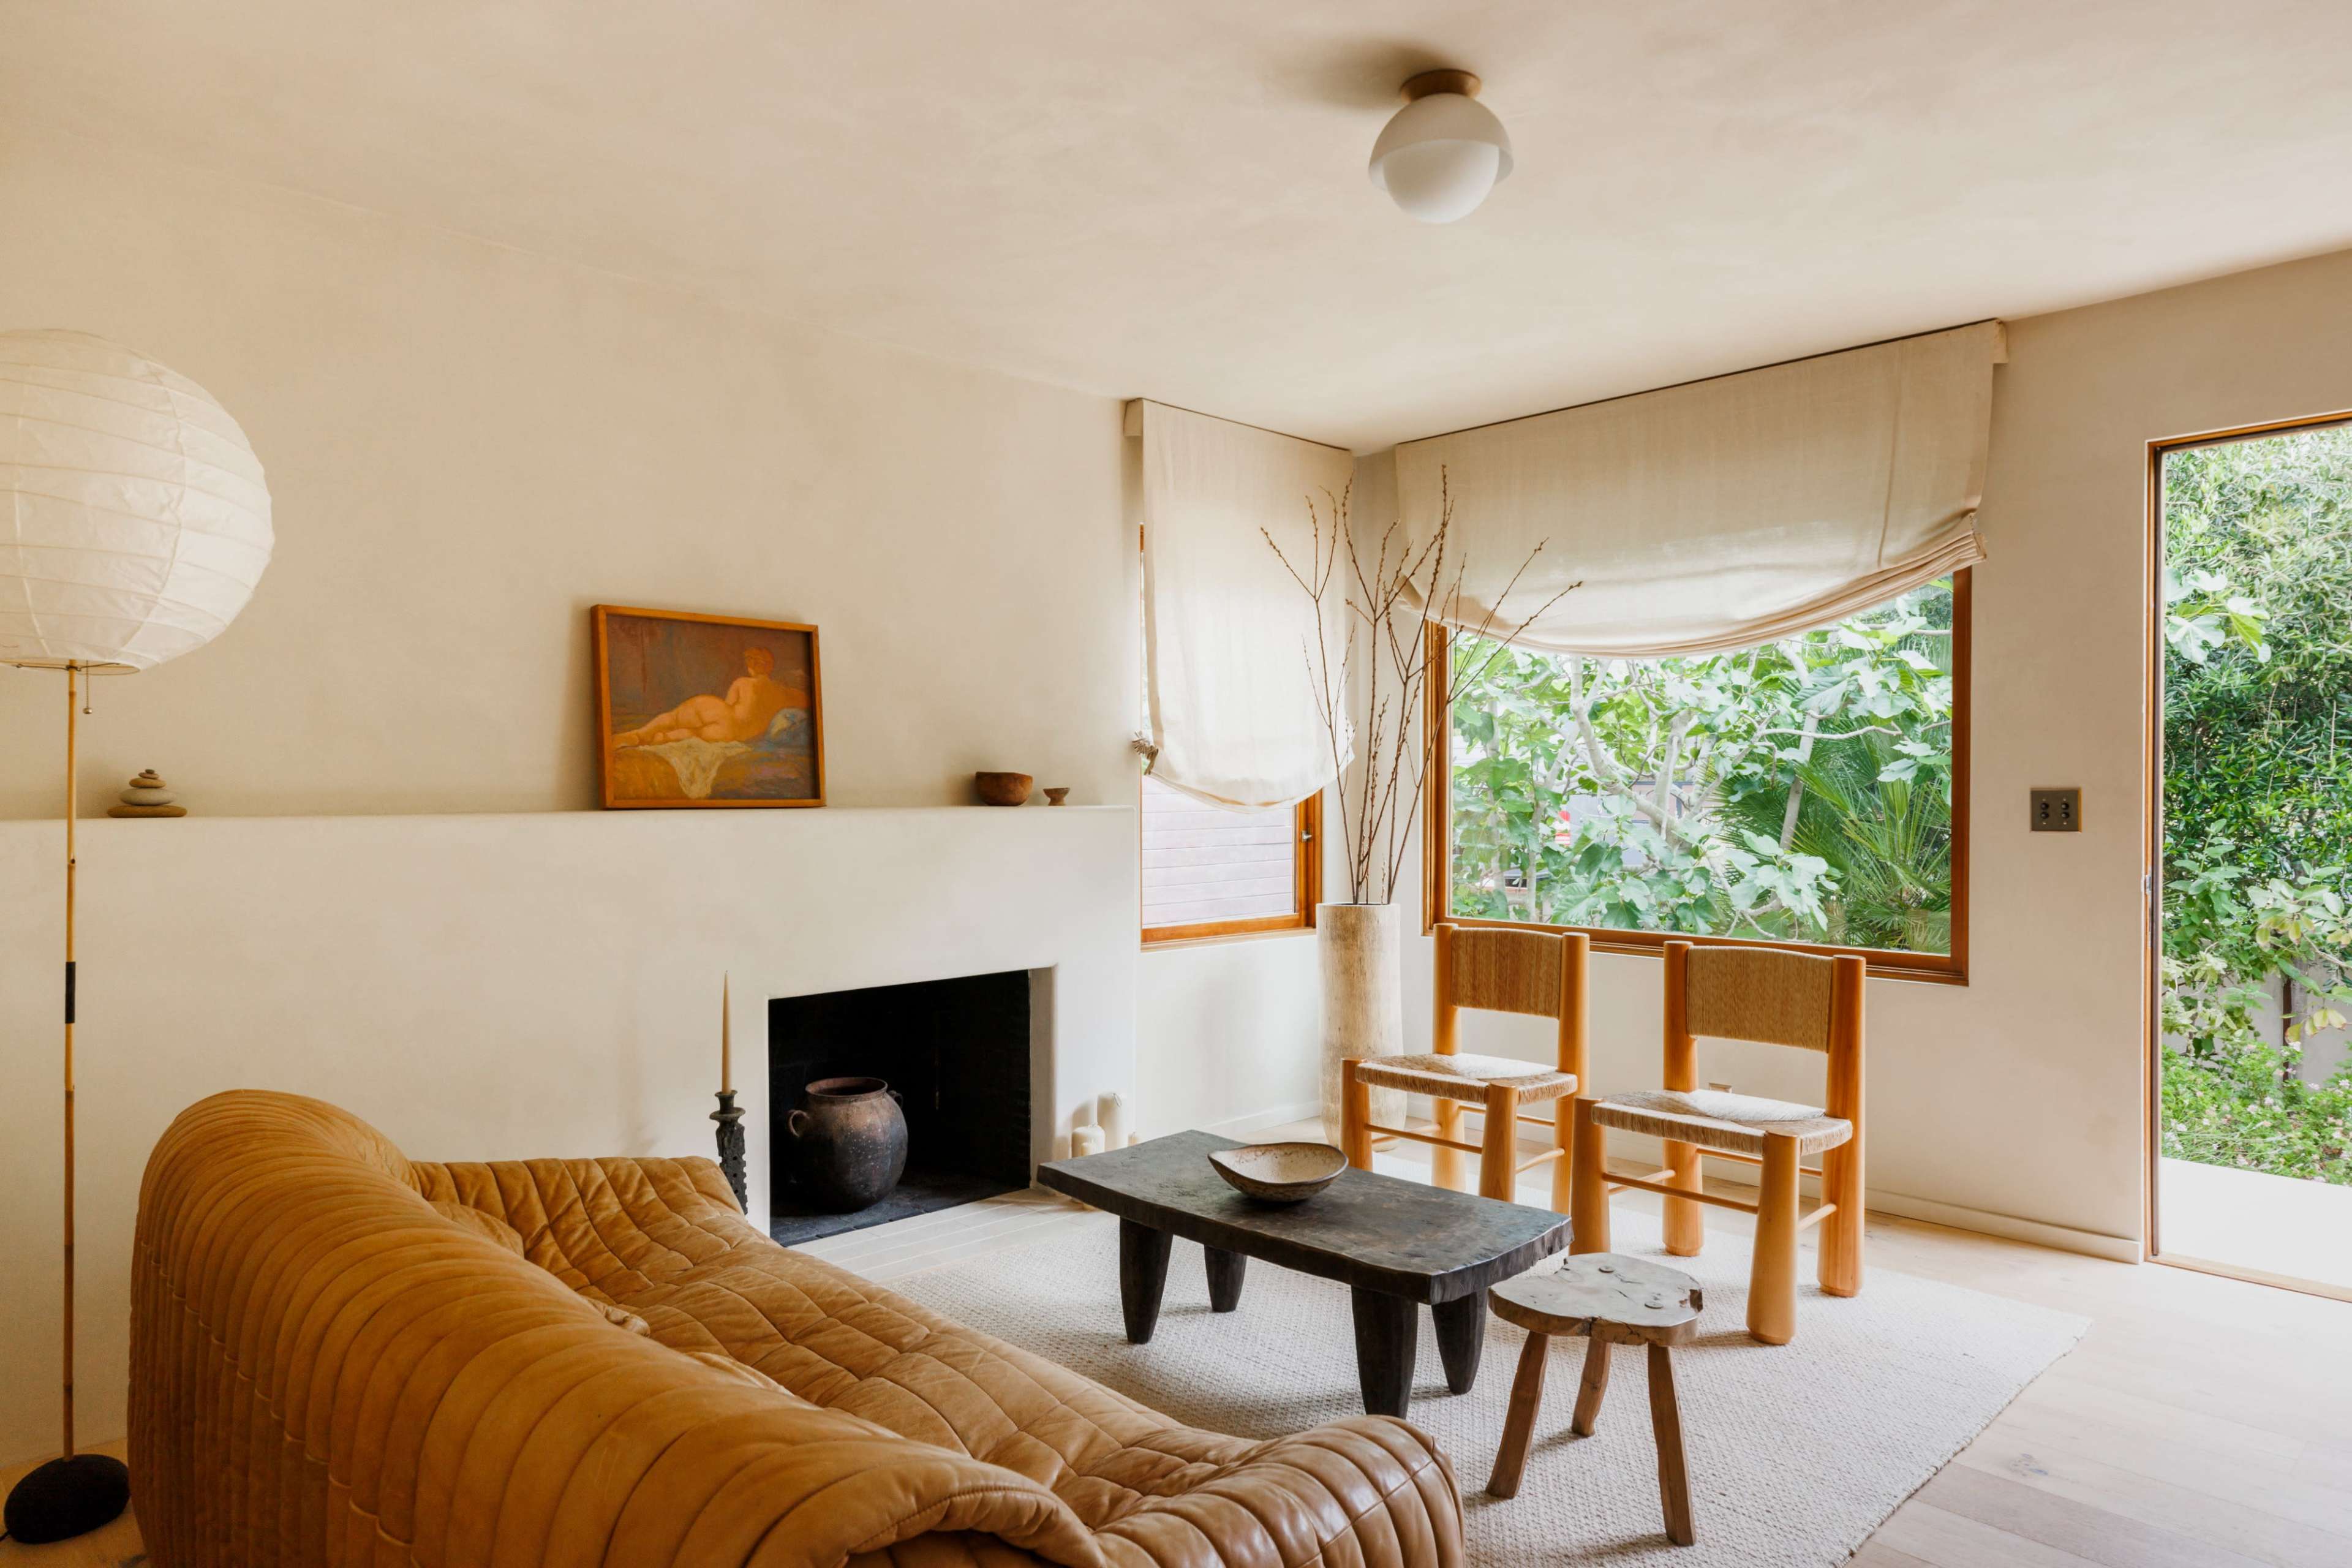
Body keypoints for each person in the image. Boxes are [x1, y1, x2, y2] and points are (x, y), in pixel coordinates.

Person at [612, 646, 798, 747]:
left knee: (674, 718)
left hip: (725, 716)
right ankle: (660, 739)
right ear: (770, 668)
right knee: (691, 734)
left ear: (752, 665)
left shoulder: (743, 683)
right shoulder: (782, 694)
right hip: (734, 735)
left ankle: (638, 735)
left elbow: (729, 705)